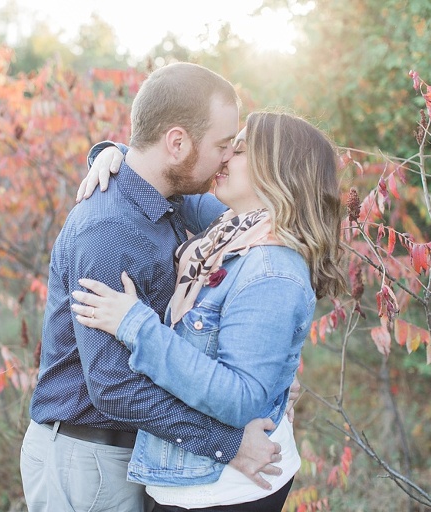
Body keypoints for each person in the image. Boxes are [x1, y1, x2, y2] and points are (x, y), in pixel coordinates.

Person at [20, 63, 285, 512]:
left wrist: (111, 149)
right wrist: (229, 443)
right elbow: (113, 387)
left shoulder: (170, 200)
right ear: (177, 143)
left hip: (132, 450)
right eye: (223, 145)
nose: (227, 158)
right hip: (89, 459)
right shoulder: (108, 231)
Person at [70, 111, 347, 511]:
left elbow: (242, 399)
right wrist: (112, 154)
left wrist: (136, 325)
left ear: (279, 171)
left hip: (226, 489)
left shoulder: (272, 270)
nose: (224, 159)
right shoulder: (232, 226)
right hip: (193, 478)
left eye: (239, 150)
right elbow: (159, 177)